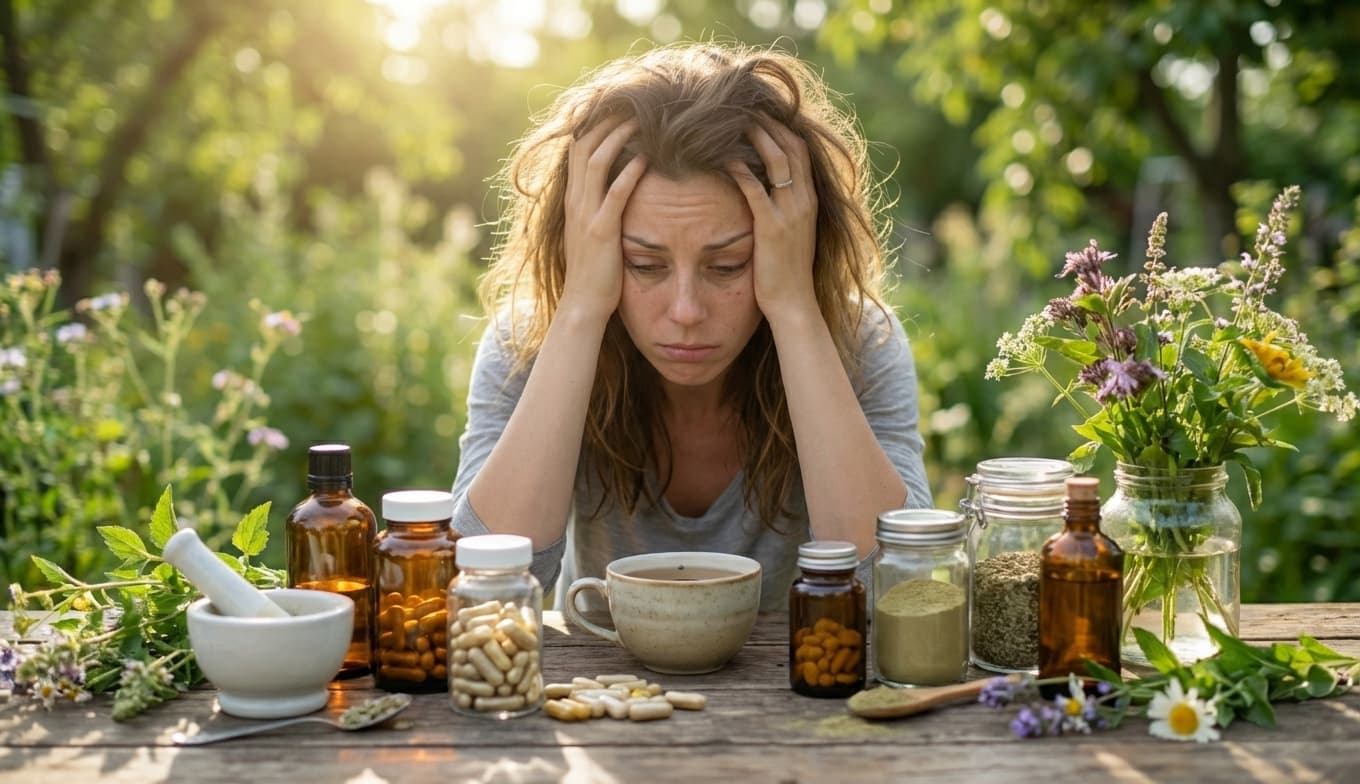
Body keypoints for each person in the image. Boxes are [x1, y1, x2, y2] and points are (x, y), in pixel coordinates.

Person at [451, 42, 931, 610]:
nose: (685, 311)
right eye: (645, 265)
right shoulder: (525, 347)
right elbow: (484, 596)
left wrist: (795, 309)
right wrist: (580, 307)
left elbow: (901, 593)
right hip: (602, 697)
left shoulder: (860, 346)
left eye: (728, 265)